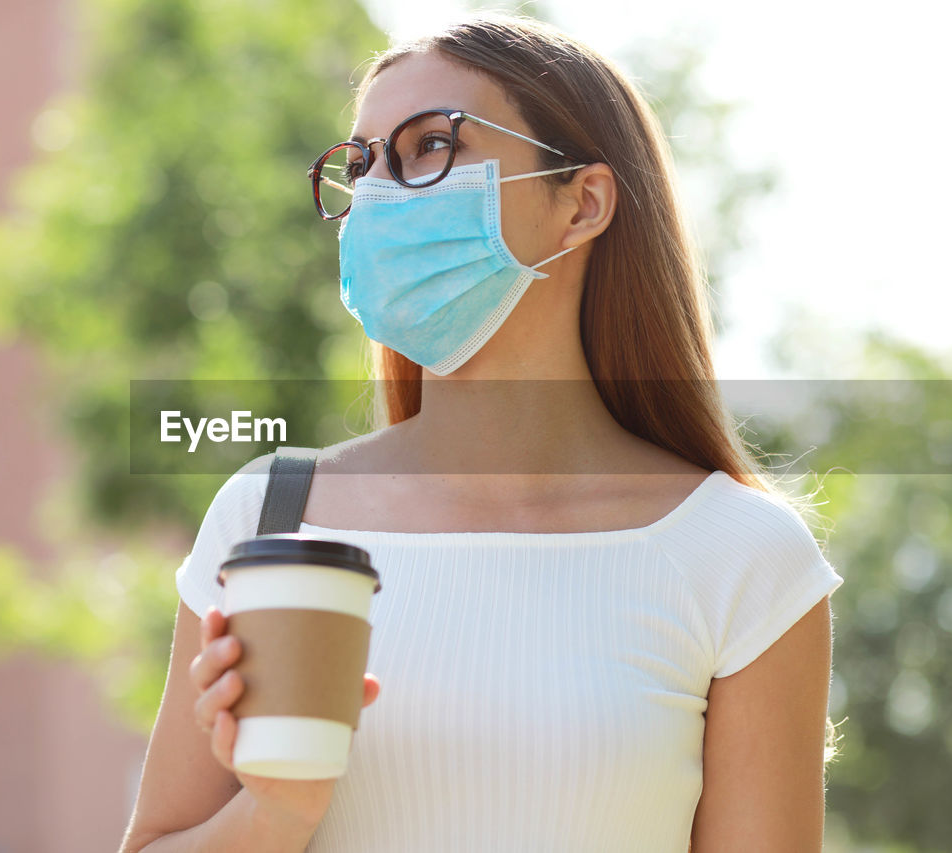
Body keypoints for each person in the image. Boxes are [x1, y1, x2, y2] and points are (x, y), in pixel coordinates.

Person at [120, 11, 843, 853]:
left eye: (430, 147)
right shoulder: (268, 519)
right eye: (364, 164)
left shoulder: (742, 558)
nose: (381, 194)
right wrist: (275, 812)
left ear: (582, 203)